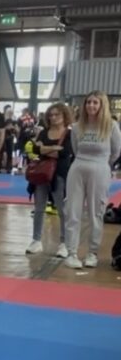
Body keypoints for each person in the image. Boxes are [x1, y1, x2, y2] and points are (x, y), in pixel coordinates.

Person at [63, 91, 121, 269]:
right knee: (73, 211)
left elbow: (116, 151)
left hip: (100, 168)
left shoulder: (111, 126)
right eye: (88, 103)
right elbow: (75, 148)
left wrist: (103, 165)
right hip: (78, 167)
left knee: (97, 212)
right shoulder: (77, 126)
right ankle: (71, 252)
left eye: (95, 103)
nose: (91, 106)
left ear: (101, 105)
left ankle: (92, 253)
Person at [26, 103, 72, 258]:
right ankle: (36, 240)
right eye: (51, 115)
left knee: (62, 209)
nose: (53, 117)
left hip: (60, 173)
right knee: (39, 207)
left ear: (64, 115)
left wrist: (45, 149)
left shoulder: (69, 134)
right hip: (42, 174)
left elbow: (64, 153)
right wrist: (53, 149)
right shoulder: (44, 132)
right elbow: (35, 149)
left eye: (57, 114)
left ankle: (64, 243)